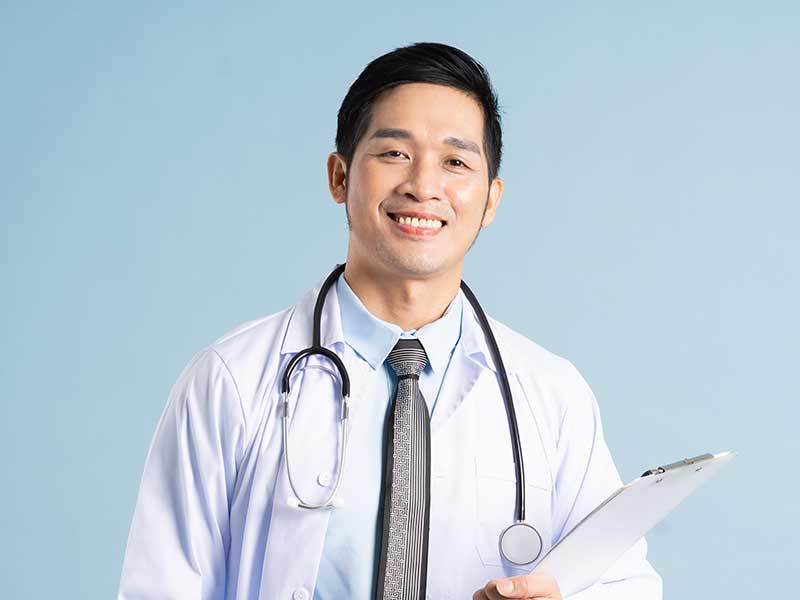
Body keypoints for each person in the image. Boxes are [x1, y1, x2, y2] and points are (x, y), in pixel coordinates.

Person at [117, 42, 662, 600]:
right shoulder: (230, 382)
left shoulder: (551, 395)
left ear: (491, 200)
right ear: (339, 177)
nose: (424, 186)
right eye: (395, 153)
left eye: (455, 162)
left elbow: (621, 582)